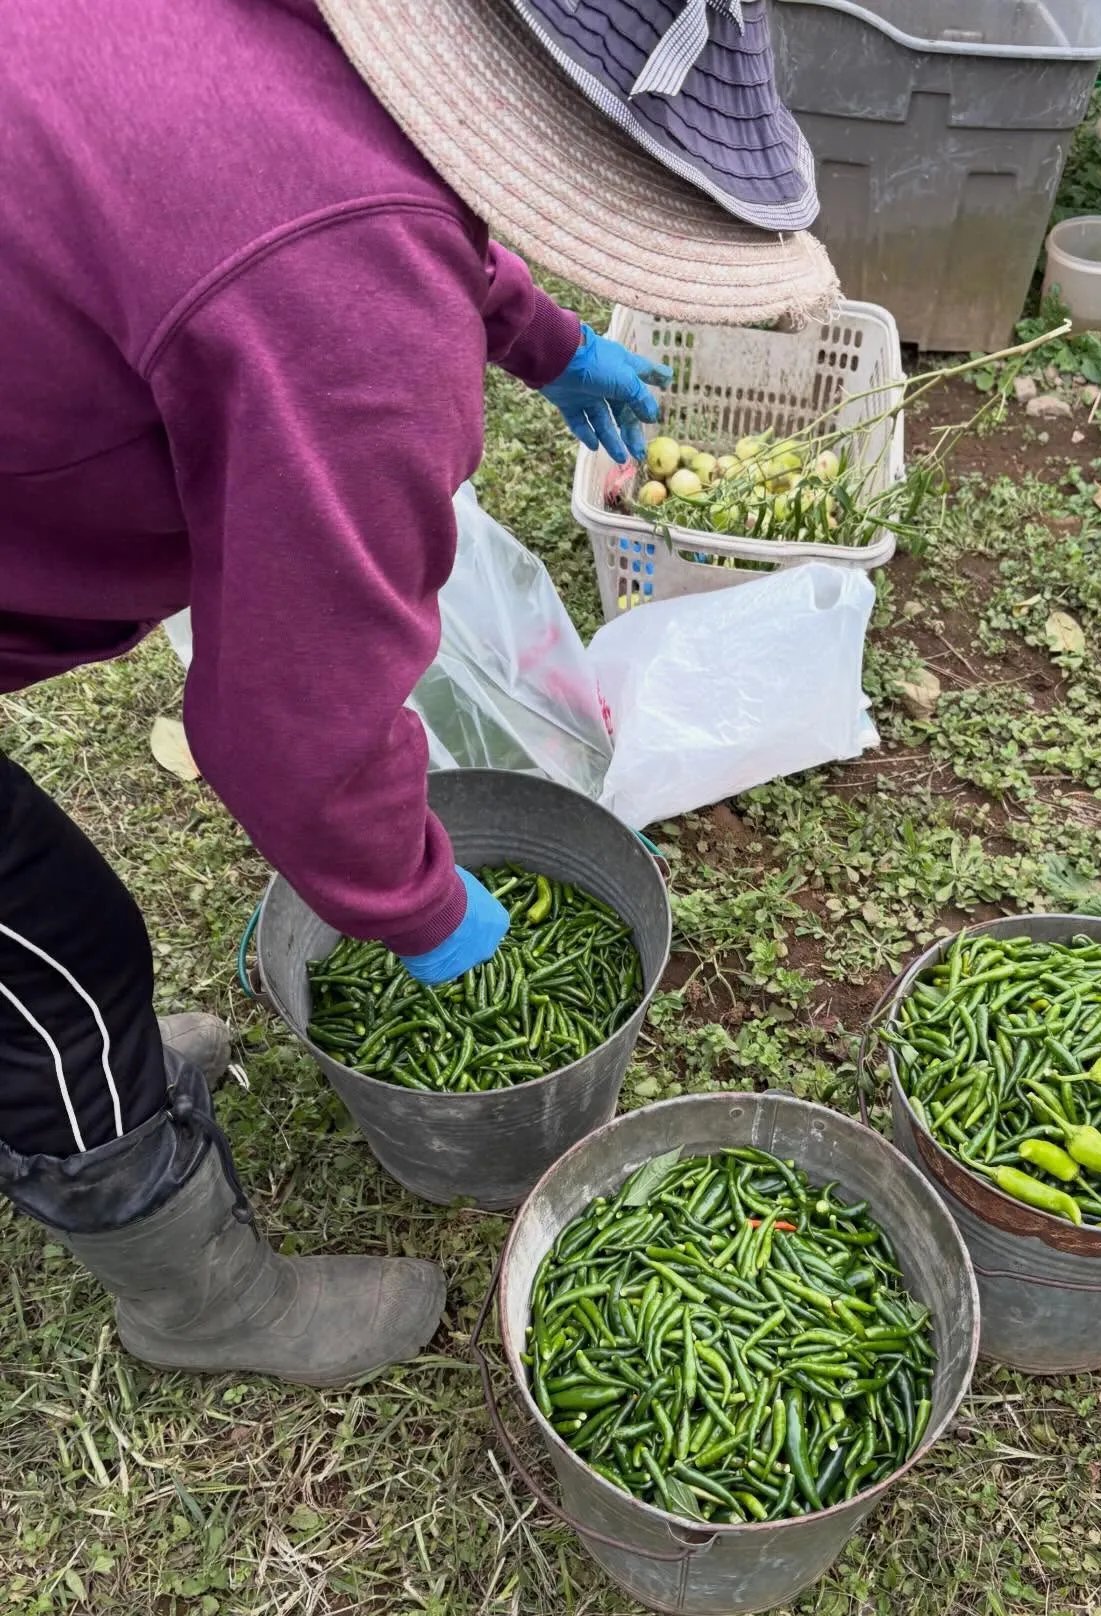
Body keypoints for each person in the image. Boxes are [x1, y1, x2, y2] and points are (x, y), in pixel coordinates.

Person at [0, 0, 834, 1386]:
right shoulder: (349, 317)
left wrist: (543, 338)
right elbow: (290, 728)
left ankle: (100, 1083)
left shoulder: (285, 46)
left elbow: (343, 181)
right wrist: (422, 907)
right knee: (54, 952)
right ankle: (199, 1299)